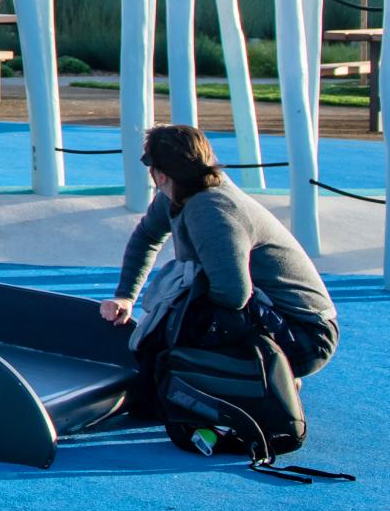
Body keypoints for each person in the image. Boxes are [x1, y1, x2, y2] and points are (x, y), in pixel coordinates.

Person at [100, 124, 338, 378]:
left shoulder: (212, 210)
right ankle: (256, 375)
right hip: (276, 317)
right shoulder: (179, 191)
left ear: (159, 176)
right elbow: (147, 236)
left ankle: (269, 375)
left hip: (307, 336)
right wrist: (125, 295)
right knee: (177, 313)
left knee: (170, 334)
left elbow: (233, 294)